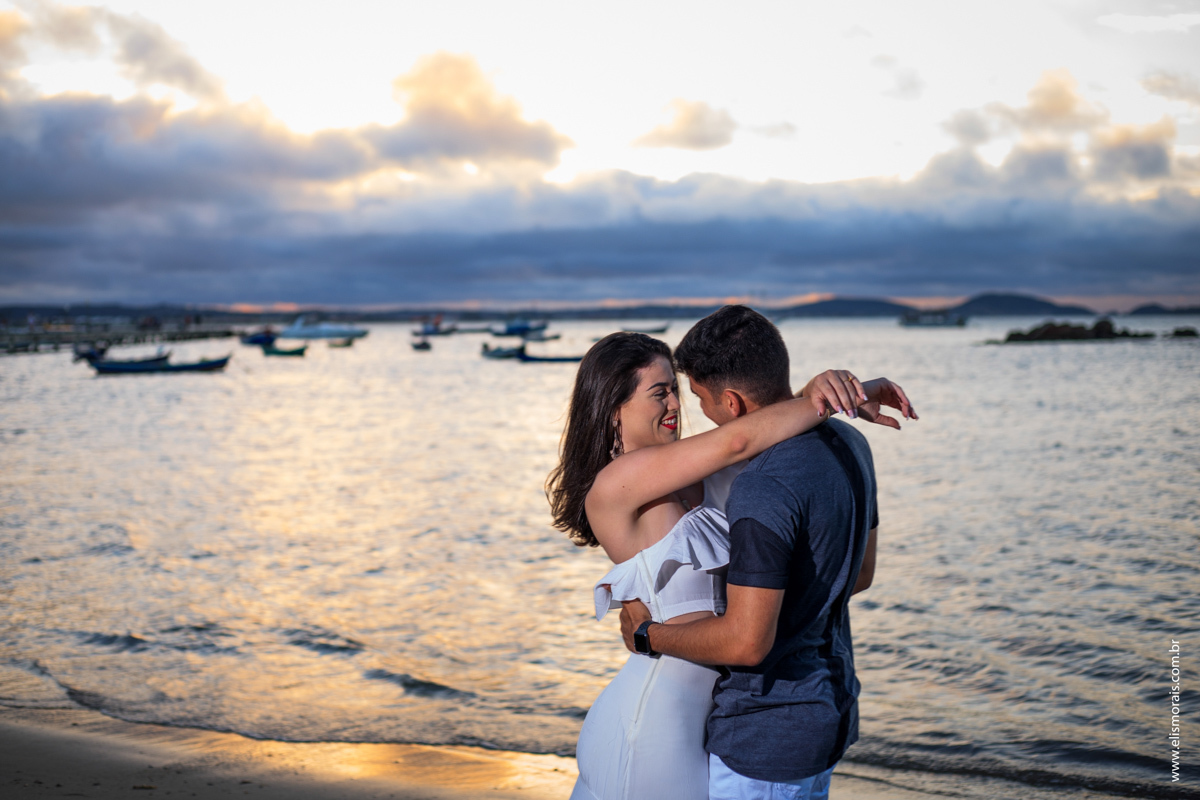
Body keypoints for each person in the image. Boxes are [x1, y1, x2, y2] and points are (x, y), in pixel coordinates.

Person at [546, 319, 913, 800]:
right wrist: (842, 392)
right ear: (615, 409)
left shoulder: (708, 470)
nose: (677, 405)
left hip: (720, 713)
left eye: (677, 391)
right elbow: (740, 436)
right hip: (657, 710)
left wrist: (830, 391)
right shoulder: (617, 483)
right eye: (660, 393)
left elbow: (758, 418)